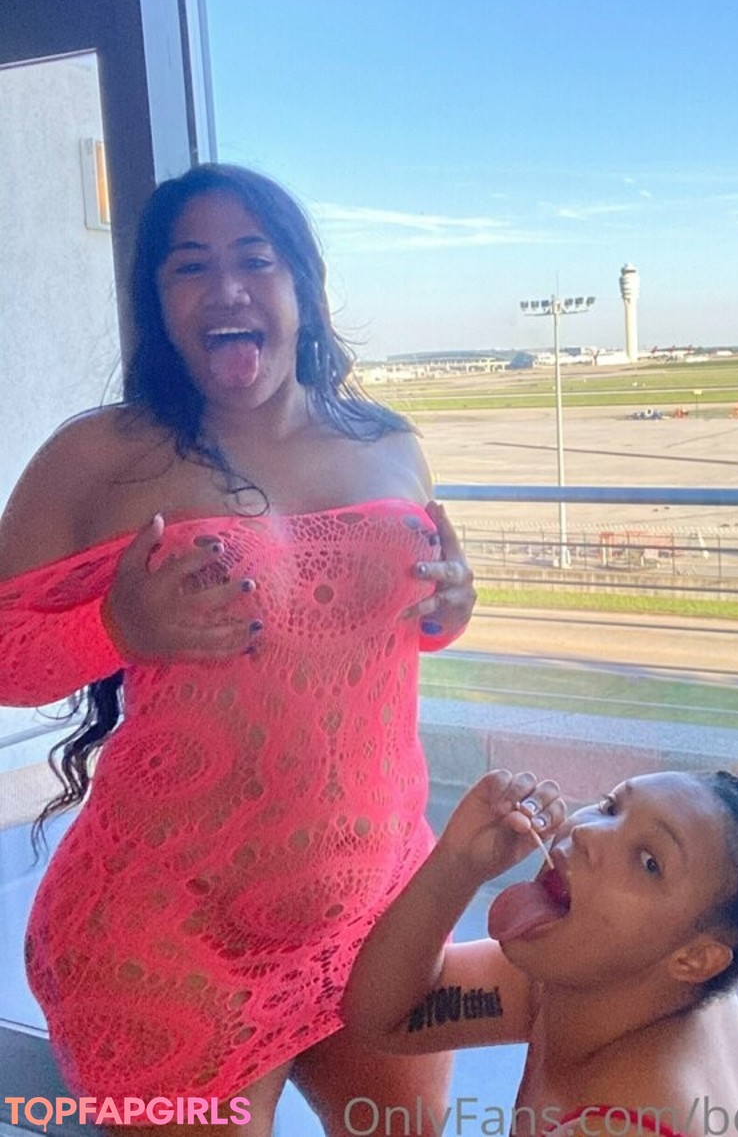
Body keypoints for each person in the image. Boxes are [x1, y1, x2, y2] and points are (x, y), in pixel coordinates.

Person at [0, 164, 476, 1136]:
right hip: (167, 941)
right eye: (190, 266)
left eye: (255, 260)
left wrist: (448, 609)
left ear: (302, 284)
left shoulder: (390, 442)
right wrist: (113, 629)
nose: (226, 289)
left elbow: (380, 632)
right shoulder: (102, 456)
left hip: (381, 907)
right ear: (157, 302)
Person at [345, 765, 738, 1137]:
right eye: (612, 807)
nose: (589, 832)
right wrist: (456, 866)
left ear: (696, 959)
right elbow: (388, 1018)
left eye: (649, 862)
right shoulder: (625, 977)